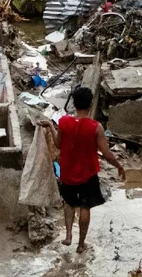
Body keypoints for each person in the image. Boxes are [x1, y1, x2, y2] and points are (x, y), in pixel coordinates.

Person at [41, 86, 125, 254]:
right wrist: (119, 166)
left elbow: (58, 144)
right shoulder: (96, 127)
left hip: (67, 172)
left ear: (73, 103)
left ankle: (68, 236)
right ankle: (81, 244)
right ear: (90, 104)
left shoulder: (64, 122)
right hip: (88, 174)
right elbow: (106, 153)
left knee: (69, 203)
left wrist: (50, 125)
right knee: (85, 207)